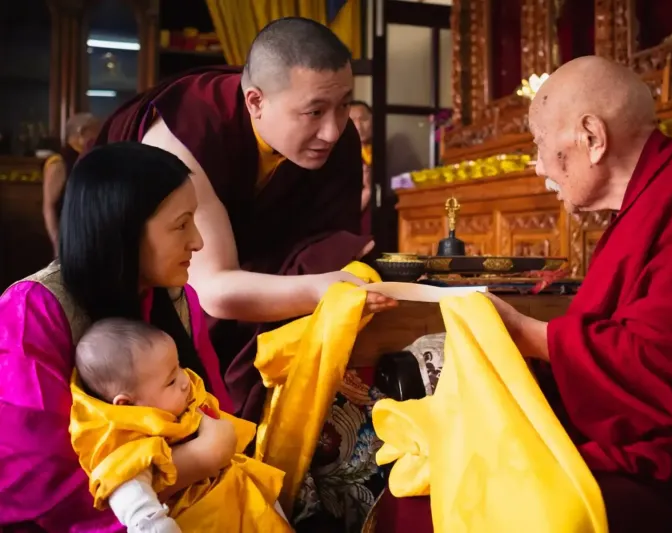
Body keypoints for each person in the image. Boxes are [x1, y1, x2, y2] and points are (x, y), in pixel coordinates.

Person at [377, 56, 672, 532]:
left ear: (592, 138)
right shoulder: (642, 206)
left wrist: (525, 333)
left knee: (498, 511)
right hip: (641, 442)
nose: (538, 166)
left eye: (540, 144)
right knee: (425, 489)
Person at [91, 17, 396, 530]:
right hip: (163, 293)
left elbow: (318, 241)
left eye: (343, 105)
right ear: (255, 102)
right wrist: (321, 288)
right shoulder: (188, 133)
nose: (334, 129)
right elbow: (211, 290)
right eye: (314, 112)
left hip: (247, 276)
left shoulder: (331, 138)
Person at [0, 142, 241, 531]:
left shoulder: (179, 299)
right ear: (122, 229)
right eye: (181, 224)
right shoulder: (33, 311)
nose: (197, 241)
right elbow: (36, 487)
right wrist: (199, 459)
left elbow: (214, 409)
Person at [72, 319, 289, 532]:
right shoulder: (127, 440)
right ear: (126, 403)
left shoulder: (181, 404)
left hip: (244, 500)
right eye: (171, 381)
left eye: (179, 367)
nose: (185, 379)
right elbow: (132, 499)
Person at [42, 112, 100, 253]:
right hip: (68, 237)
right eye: (96, 131)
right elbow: (49, 206)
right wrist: (57, 242)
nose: (99, 136)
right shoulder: (59, 162)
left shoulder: (89, 157)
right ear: (83, 132)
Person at [349, 100, 373, 234]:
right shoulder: (341, 157)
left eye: (363, 119)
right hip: (356, 232)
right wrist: (368, 190)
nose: (358, 126)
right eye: (352, 120)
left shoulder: (386, 152)